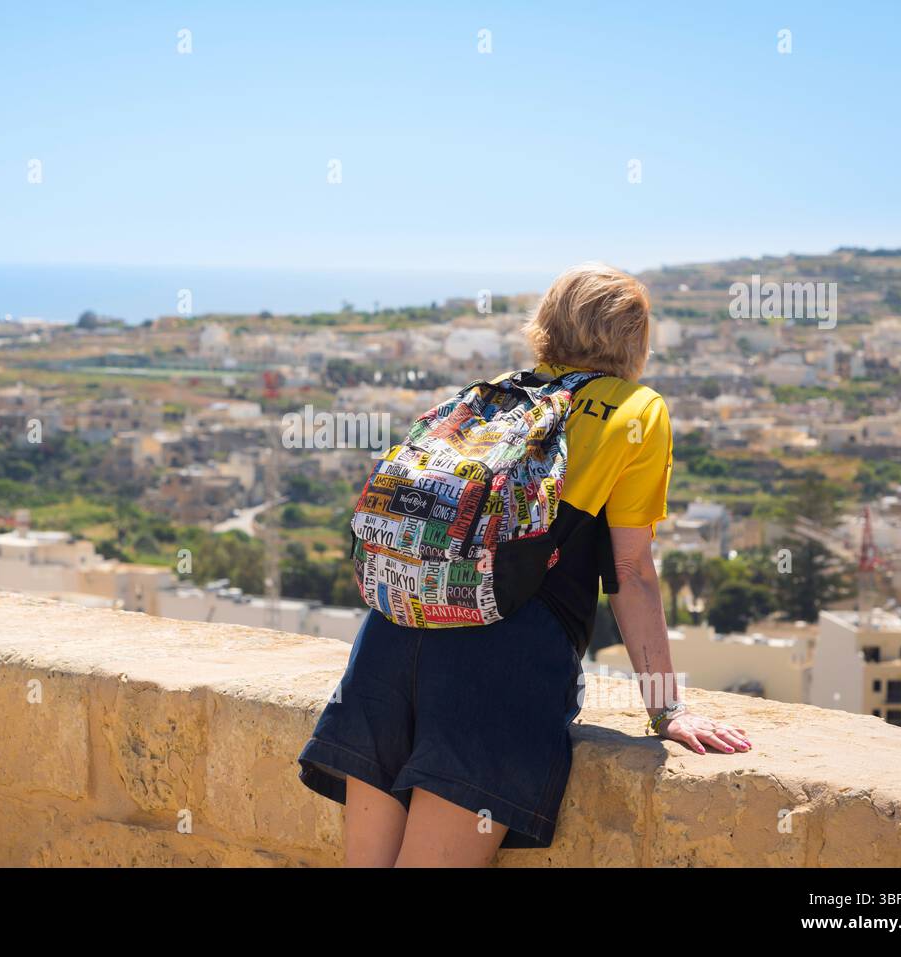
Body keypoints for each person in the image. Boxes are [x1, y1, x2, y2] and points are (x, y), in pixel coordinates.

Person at [295, 262, 751, 867]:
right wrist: (667, 707)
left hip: (389, 641)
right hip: (499, 663)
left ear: (546, 324)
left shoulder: (490, 396)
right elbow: (631, 571)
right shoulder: (636, 410)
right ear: (635, 341)